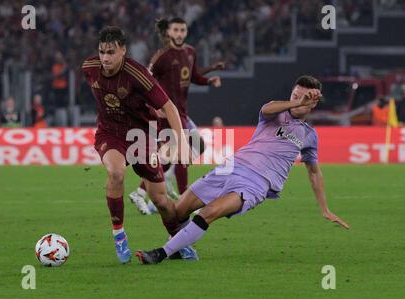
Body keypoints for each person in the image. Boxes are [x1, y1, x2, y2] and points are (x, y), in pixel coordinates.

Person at [135, 75, 350, 265]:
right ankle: (181, 249)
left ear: (313, 104)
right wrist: (296, 101)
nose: (298, 101)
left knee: (208, 213)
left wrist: (324, 208)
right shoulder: (276, 113)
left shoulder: (309, 135)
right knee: (179, 210)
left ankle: (161, 253)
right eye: (295, 94)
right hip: (231, 166)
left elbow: (314, 171)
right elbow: (267, 108)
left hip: (256, 183)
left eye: (304, 99)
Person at [82, 26, 197, 264]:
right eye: (102, 51)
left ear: (123, 51)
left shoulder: (138, 74)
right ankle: (119, 234)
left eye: (111, 52)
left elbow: (169, 107)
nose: (105, 57)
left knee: (162, 202)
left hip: (141, 137)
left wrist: (182, 143)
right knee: (116, 172)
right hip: (110, 134)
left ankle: (177, 241)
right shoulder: (89, 68)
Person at [129, 17, 224, 215]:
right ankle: (183, 200)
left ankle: (141, 191)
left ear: (186, 32)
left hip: (182, 112)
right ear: (169, 32)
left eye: (183, 30)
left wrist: (209, 80)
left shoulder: (190, 52)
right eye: (176, 30)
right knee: (181, 154)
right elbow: (144, 81)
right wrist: (152, 106)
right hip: (167, 113)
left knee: (192, 148)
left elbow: (193, 76)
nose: (179, 33)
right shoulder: (161, 56)